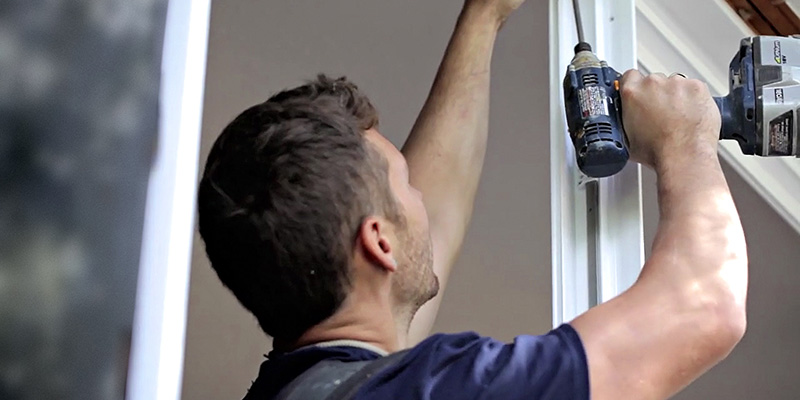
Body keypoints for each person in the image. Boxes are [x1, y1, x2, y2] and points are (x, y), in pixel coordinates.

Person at [196, 0, 749, 398]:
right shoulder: (440, 389)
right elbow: (703, 309)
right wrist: (685, 139)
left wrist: (485, 16)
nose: (419, 194)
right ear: (379, 243)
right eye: (404, 183)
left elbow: (428, 224)